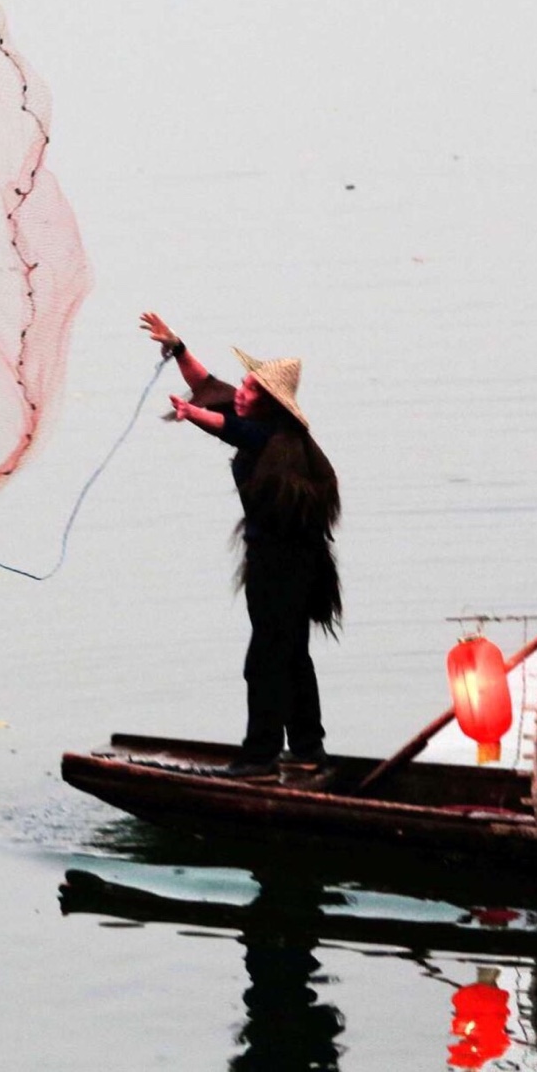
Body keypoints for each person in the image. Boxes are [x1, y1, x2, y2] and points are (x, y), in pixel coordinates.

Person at [141, 311, 342, 779]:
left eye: (251, 389)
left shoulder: (276, 437)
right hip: (281, 561)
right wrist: (177, 347)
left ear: (270, 402)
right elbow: (210, 387)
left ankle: (260, 757)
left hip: (288, 565)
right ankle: (309, 749)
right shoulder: (253, 413)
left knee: (267, 659)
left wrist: (191, 415)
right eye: (246, 385)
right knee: (291, 654)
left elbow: (230, 427)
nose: (242, 393)